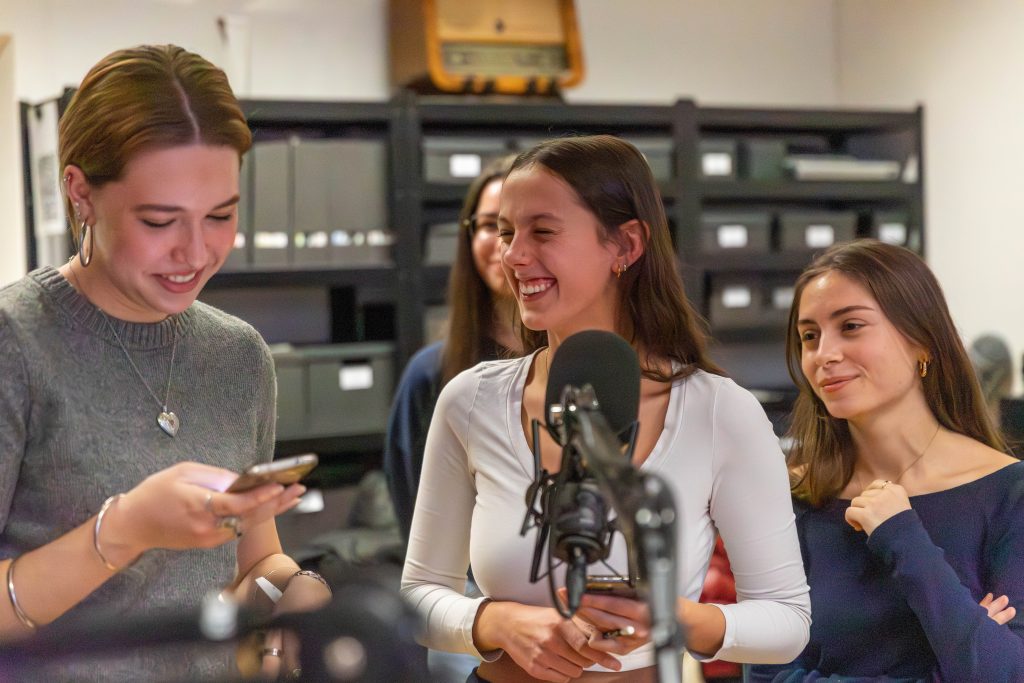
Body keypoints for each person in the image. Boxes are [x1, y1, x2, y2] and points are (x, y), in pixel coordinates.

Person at [402, 135, 811, 683]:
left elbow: (787, 622)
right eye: (506, 232)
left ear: (626, 245)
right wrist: (498, 622)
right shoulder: (471, 400)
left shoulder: (718, 411)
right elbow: (420, 596)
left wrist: (676, 618)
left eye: (542, 231)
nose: (513, 255)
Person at [0, 45, 330, 680]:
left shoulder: (238, 356)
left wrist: (294, 592)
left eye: (221, 217)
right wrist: (123, 530)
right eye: (159, 220)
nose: (196, 252)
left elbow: (253, 561)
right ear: (81, 192)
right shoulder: (17, 344)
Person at [750, 239, 1024, 682]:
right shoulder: (788, 496)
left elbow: (1008, 675)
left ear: (923, 343)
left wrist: (901, 535)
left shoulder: (1009, 493)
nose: (824, 355)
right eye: (809, 336)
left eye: (852, 326)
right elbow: (764, 675)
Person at [384, 154, 521, 543]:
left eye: (529, 227)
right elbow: (419, 533)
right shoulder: (431, 375)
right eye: (490, 225)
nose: (505, 244)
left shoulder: (583, 367)